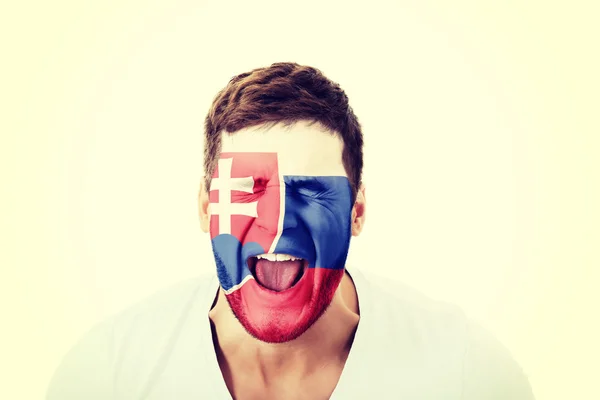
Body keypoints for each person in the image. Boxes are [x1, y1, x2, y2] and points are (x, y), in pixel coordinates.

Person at [47, 62, 535, 399]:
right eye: (247, 191)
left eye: (312, 194)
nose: (276, 231)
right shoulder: (107, 376)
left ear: (356, 212)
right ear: (204, 206)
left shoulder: (468, 375)